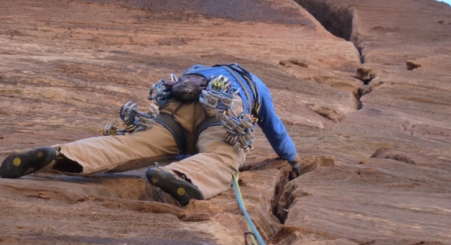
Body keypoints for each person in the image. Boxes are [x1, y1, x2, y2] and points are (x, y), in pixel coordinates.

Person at [0, 63, 300, 206]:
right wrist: (291, 158)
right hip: (221, 111)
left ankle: (61, 155)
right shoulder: (255, 86)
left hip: (177, 108)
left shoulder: (199, 70)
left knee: (131, 144)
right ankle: (182, 176)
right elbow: (274, 129)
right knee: (222, 155)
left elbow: (179, 89)